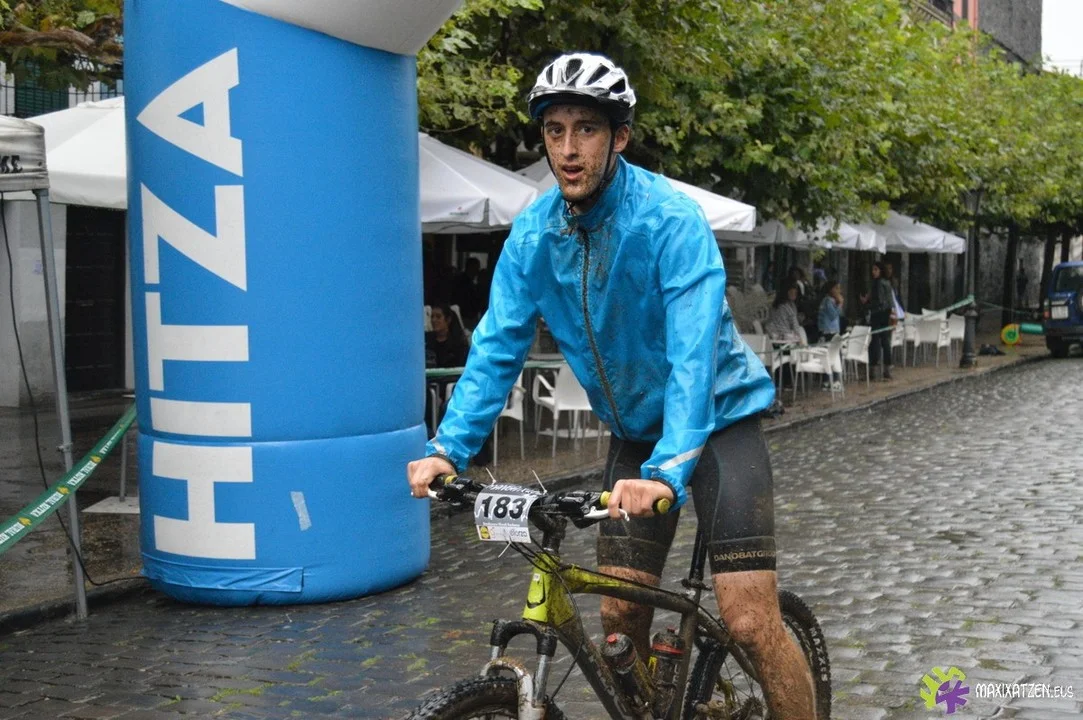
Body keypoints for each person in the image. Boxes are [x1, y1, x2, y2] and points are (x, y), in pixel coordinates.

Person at [405, 52, 815, 718]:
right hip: (634, 433)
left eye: (587, 129)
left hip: (718, 423)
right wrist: (448, 448)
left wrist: (668, 470)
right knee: (619, 617)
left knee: (747, 621)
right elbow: (497, 346)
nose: (568, 149)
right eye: (555, 130)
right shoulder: (534, 235)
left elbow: (692, 359)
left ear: (619, 136)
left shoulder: (669, 221)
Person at [424, 304, 469, 437]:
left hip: (452, 384)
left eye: (438, 317)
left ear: (448, 320)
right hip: (430, 384)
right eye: (432, 316)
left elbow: (462, 370)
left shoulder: (459, 343)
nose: (434, 320)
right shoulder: (427, 340)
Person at [860, 261, 895, 380]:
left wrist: (867, 304)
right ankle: (886, 369)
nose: (873, 272)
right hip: (886, 313)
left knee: (875, 341)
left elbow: (879, 301)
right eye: (872, 269)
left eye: (876, 269)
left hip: (878, 314)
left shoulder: (878, 283)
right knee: (885, 341)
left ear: (880, 271)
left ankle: (873, 370)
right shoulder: (887, 282)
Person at [816, 282, 844, 391]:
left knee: (828, 356)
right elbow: (833, 315)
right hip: (829, 332)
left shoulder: (829, 301)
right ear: (831, 289)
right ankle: (835, 381)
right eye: (837, 288)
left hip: (829, 331)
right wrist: (840, 303)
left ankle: (827, 381)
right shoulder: (828, 301)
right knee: (835, 356)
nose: (839, 291)